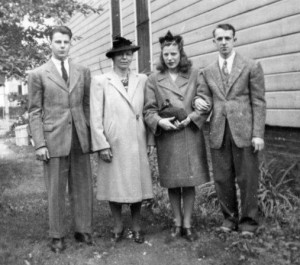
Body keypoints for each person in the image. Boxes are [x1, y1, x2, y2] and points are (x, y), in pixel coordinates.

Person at [194, 23, 266, 236]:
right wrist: (199, 101)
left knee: (248, 178)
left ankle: (249, 223)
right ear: (213, 42)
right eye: (219, 39)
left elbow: (259, 102)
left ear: (235, 39)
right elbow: (204, 96)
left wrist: (258, 134)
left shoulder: (251, 66)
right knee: (222, 178)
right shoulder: (207, 71)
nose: (224, 42)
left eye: (227, 38)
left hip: (244, 131)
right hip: (218, 131)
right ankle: (229, 219)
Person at [28, 26, 93, 252]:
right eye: (58, 42)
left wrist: (89, 136)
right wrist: (40, 143)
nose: (62, 46)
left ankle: (82, 229)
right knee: (55, 189)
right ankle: (57, 235)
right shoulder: (38, 74)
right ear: (50, 44)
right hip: (53, 137)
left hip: (79, 136)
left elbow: (86, 106)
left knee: (82, 186)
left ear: (71, 43)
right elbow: (34, 111)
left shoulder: (83, 71)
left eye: (66, 42)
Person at [143, 31, 209, 242]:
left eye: (174, 54)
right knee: (173, 182)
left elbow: (206, 102)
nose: (170, 58)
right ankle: (176, 222)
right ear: (161, 55)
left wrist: (192, 117)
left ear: (181, 54)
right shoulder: (153, 79)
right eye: (166, 54)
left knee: (189, 181)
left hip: (189, 133)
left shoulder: (195, 73)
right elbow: (148, 110)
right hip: (168, 136)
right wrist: (159, 122)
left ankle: (188, 225)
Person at [90, 36, 153, 244]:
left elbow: (149, 111)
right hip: (113, 141)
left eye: (129, 53)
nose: (125, 57)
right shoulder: (101, 81)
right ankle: (117, 225)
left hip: (136, 139)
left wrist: (150, 140)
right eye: (121, 54)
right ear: (113, 57)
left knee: (137, 185)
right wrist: (101, 144)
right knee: (114, 185)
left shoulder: (142, 80)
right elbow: (95, 115)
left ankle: (136, 226)